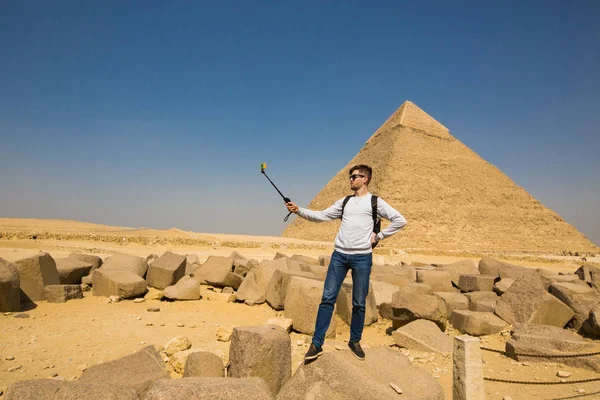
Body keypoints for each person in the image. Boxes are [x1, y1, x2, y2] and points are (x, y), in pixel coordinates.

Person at [285, 164, 407, 361]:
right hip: (339, 256)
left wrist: (380, 236)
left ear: (365, 179)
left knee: (359, 303)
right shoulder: (344, 202)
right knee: (327, 299)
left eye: (354, 176)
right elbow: (321, 216)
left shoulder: (375, 202)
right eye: (350, 177)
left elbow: (400, 220)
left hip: (362, 257)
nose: (350, 179)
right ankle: (317, 343)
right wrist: (298, 210)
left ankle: (355, 341)